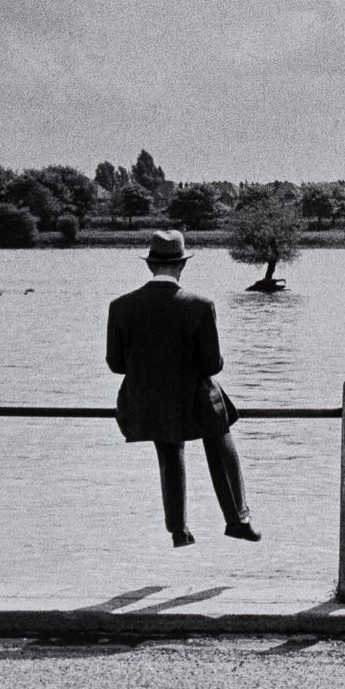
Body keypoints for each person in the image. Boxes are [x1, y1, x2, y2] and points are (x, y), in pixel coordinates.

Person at [106, 229, 260, 548]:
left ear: (150, 266)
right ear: (182, 266)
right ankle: (237, 518)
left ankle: (178, 529)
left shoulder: (120, 307)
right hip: (193, 401)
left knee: (169, 447)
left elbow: (116, 364)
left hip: (145, 402)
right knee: (219, 431)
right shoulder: (199, 305)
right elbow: (212, 365)